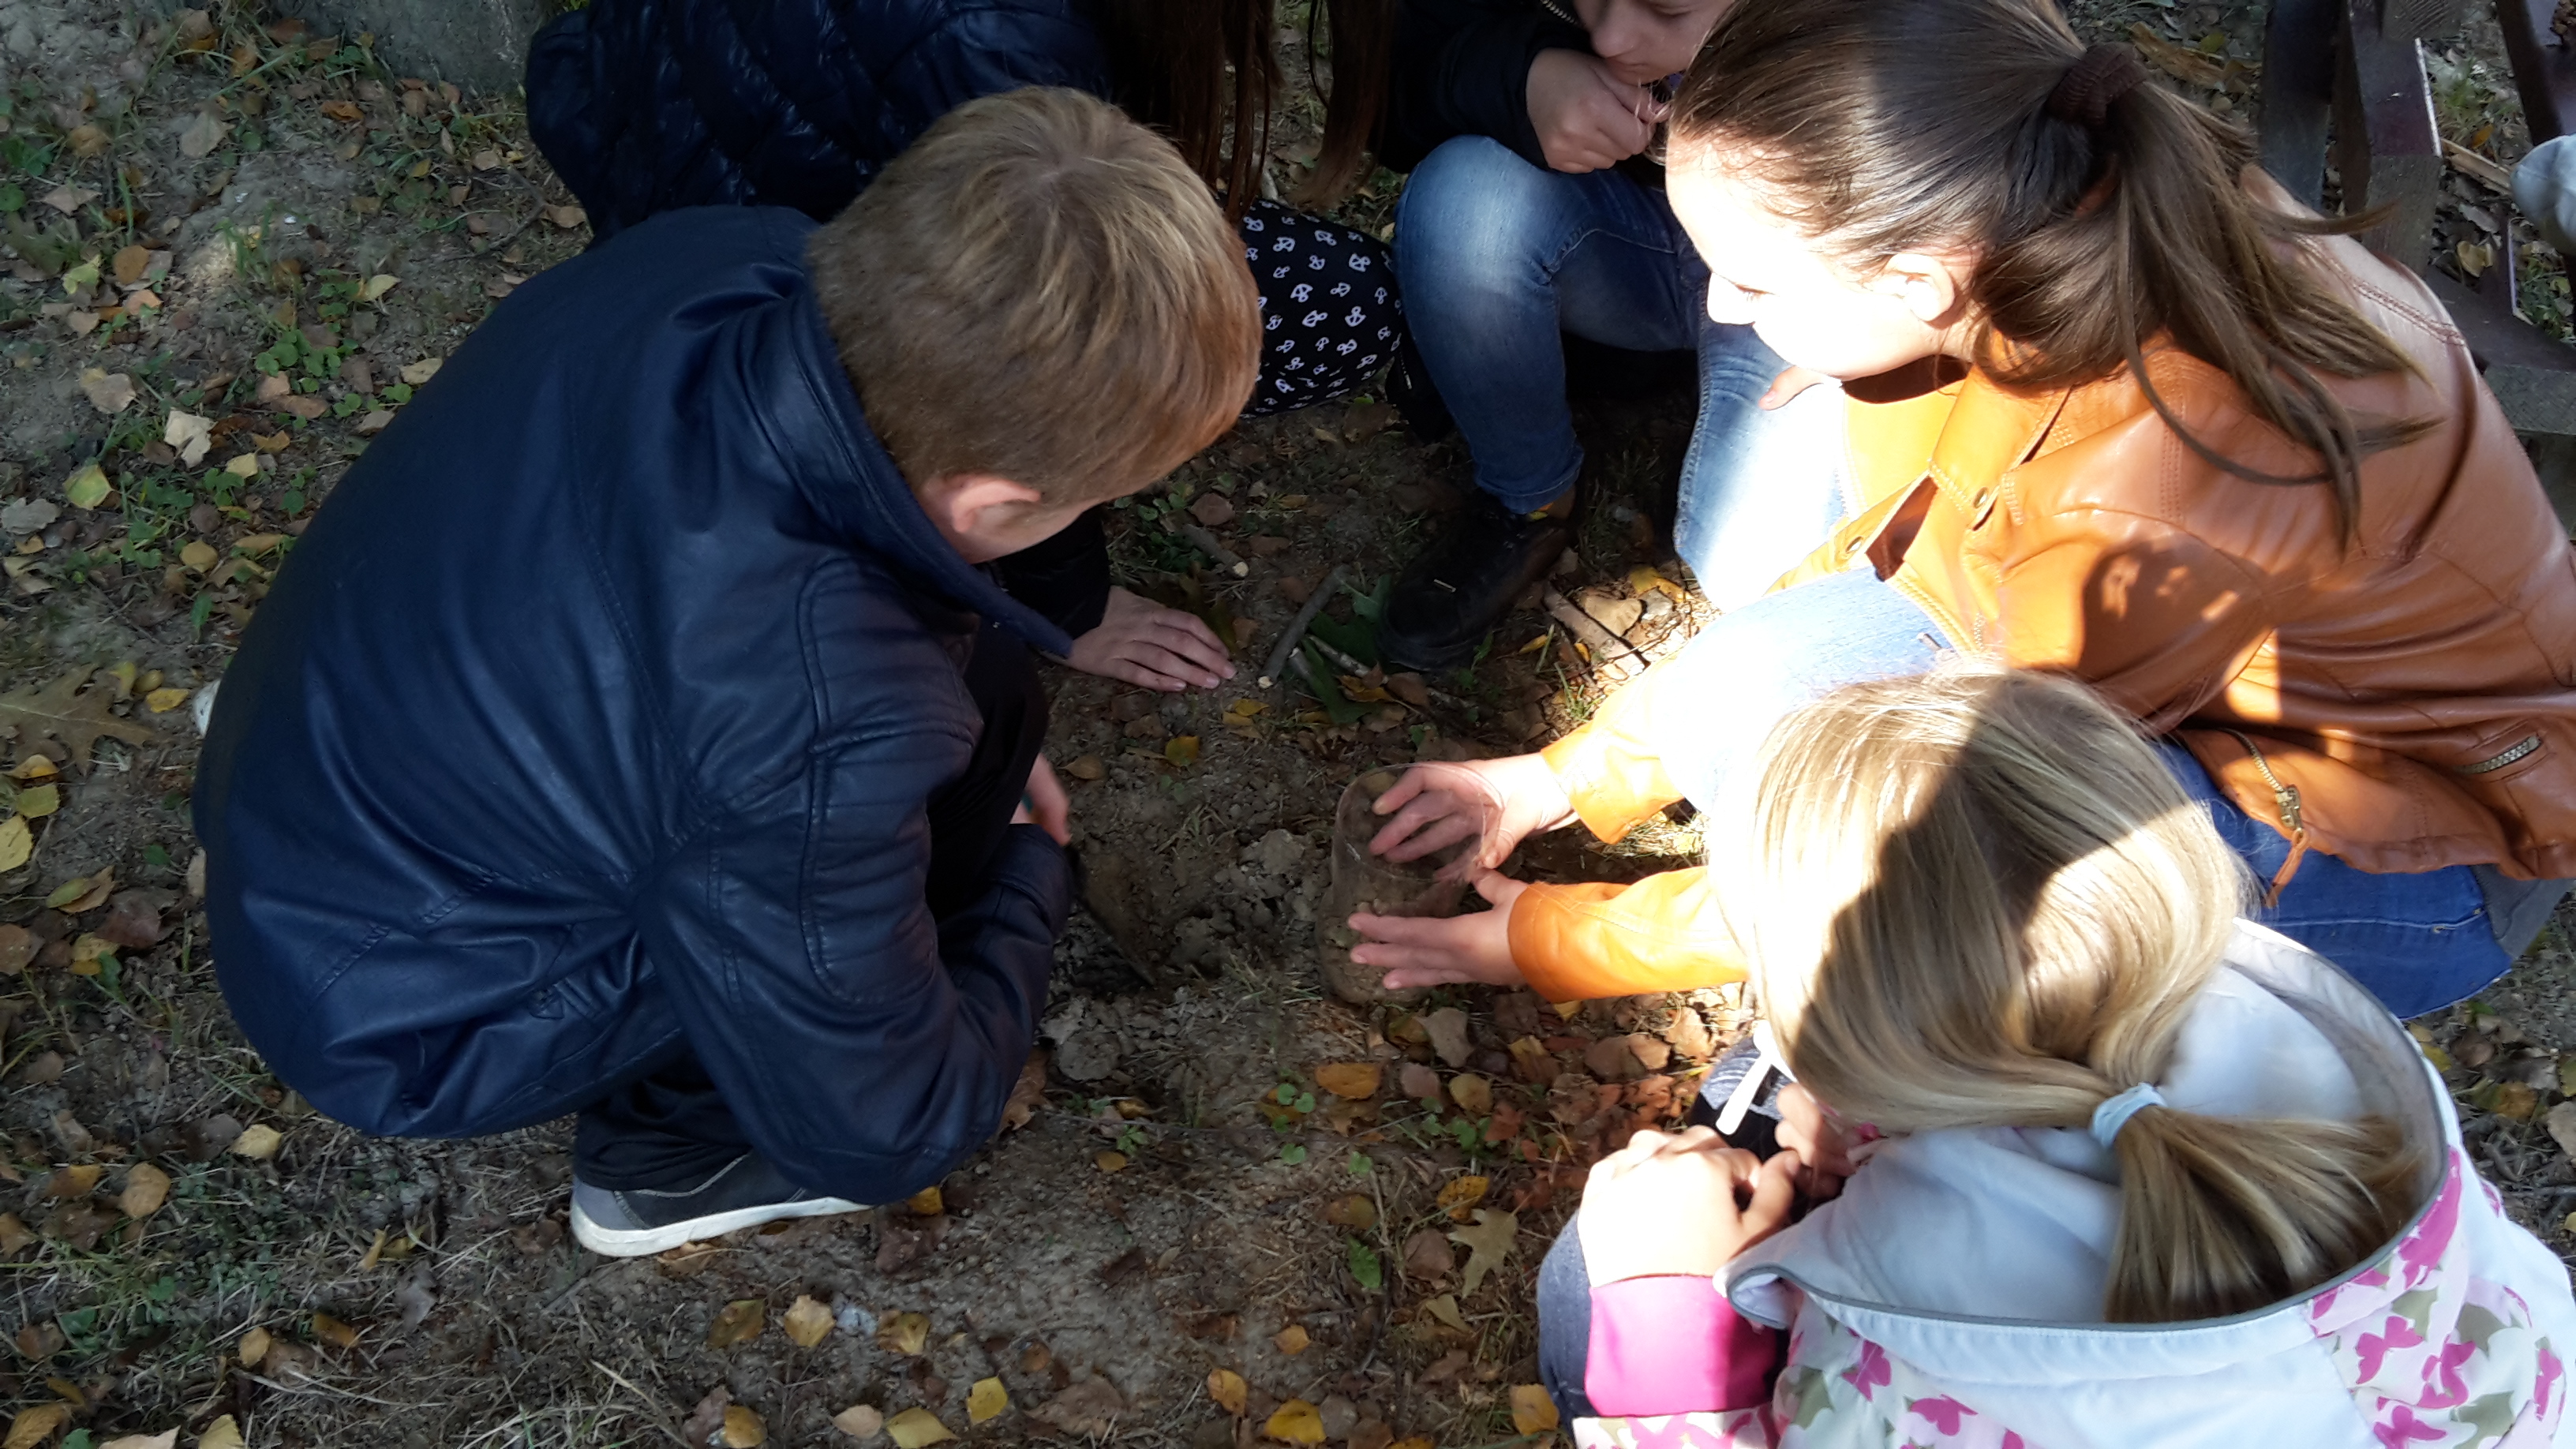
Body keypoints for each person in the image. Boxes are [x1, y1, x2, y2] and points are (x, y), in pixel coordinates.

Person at [1349, 0, 2576, 1019]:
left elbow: (1954, 843)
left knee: (1958, 944)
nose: (1717, 310)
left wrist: (1561, 941)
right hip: (2198, 698)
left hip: (2411, 848)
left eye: (1753, 280)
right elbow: (1899, 554)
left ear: (1916, 279)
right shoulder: (2043, 228)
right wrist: (1557, 781)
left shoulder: (2152, 482)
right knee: (1758, 690)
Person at [193, 89, 1258, 1257]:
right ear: (995, 501)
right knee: (846, 920)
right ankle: (671, 1160)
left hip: (325, 744)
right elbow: (897, 1123)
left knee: (974, 697)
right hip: (396, 1003)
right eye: (1091, 502)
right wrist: (1022, 873)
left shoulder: (725, 258)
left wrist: (974, 720)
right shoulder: (813, 720)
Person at [1535, 666, 2576, 1444]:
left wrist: (1664, 1326)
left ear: (1850, 1045)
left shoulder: (1882, 1375)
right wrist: (1878, 1127)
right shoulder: (2346, 1067)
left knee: (1596, 1268)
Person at [523, 0, 1405, 695]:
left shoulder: (575, 343)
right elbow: (1026, 384)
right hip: (783, 228)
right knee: (1339, 302)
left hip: (679, 198)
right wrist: (1069, 605)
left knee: (1348, 294)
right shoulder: (995, 41)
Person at [1372, 0, 1837, 670]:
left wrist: (1876, 318)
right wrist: (1517, 75)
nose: (1613, 38)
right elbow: (1388, 98)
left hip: (1822, 277)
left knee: (1757, 570)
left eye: (1667, 7)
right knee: (1464, 206)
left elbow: (1985, 160)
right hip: (1633, 234)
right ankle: (1531, 498)